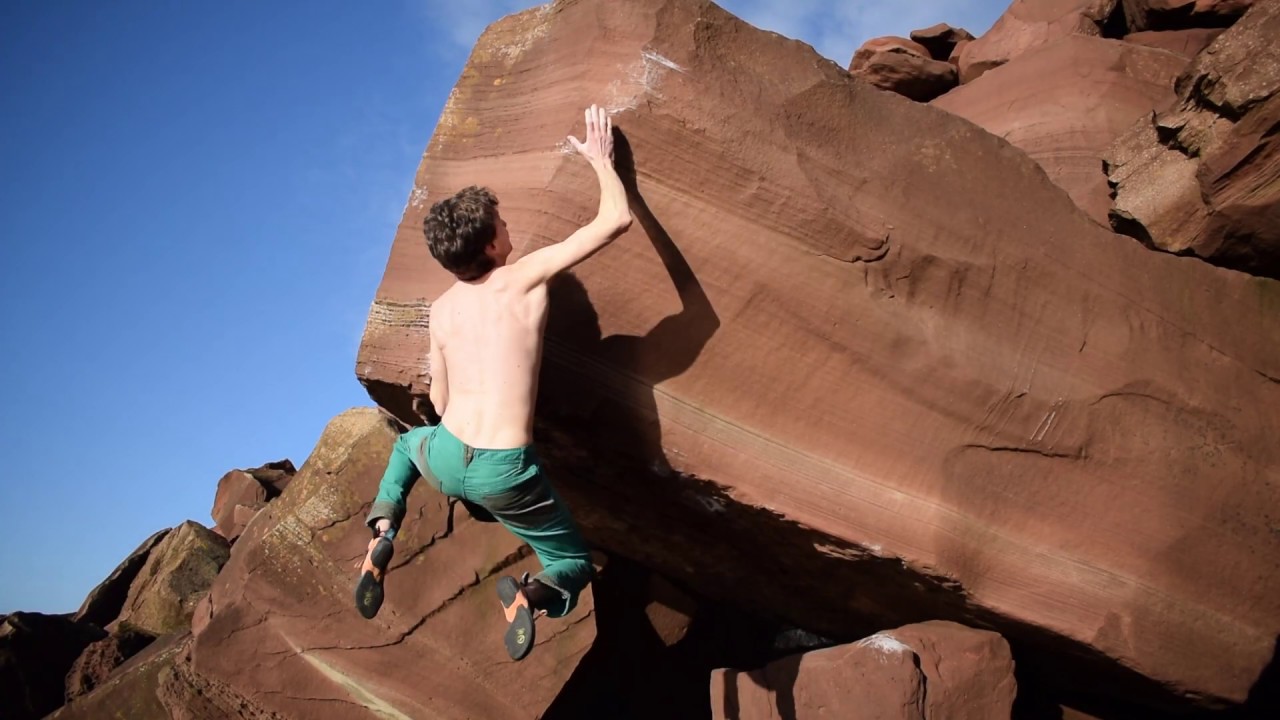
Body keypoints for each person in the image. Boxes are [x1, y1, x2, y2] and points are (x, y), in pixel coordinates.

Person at [354, 104, 632, 661]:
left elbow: (438, 400)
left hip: (449, 458)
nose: (509, 229)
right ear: (490, 246)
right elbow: (614, 221)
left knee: (409, 445)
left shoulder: (441, 310)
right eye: (502, 225)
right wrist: (601, 161)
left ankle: (384, 526)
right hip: (507, 471)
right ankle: (531, 594)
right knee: (571, 560)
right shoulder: (521, 278)